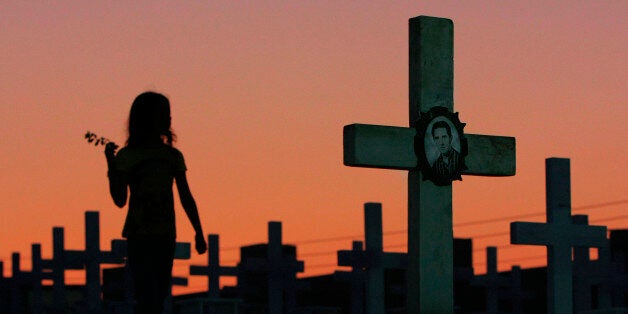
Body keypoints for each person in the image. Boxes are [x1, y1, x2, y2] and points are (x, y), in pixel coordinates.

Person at [105, 91, 207, 313]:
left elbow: (186, 196)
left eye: (169, 115)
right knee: (146, 294)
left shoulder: (172, 156)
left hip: (165, 233)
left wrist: (198, 231)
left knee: (159, 294)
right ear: (147, 118)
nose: (169, 119)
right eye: (163, 114)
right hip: (139, 234)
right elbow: (120, 199)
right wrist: (111, 167)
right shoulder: (128, 156)